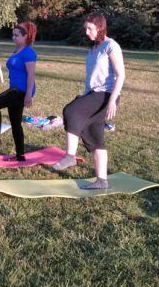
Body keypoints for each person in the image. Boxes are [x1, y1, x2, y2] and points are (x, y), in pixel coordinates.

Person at [52, 12, 125, 189]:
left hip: (106, 94)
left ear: (100, 27)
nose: (87, 33)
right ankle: (101, 180)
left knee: (71, 110)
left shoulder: (111, 46)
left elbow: (120, 74)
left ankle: (70, 156)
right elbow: (92, 77)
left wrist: (113, 100)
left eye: (90, 29)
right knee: (94, 134)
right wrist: (85, 94)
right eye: (86, 29)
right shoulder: (93, 50)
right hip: (93, 94)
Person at [0, 21, 37, 161]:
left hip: (22, 90)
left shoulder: (28, 52)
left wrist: (28, 95)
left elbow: (31, 75)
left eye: (16, 35)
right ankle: (20, 154)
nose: (13, 37)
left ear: (25, 36)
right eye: (12, 35)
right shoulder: (17, 51)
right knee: (15, 122)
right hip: (14, 89)